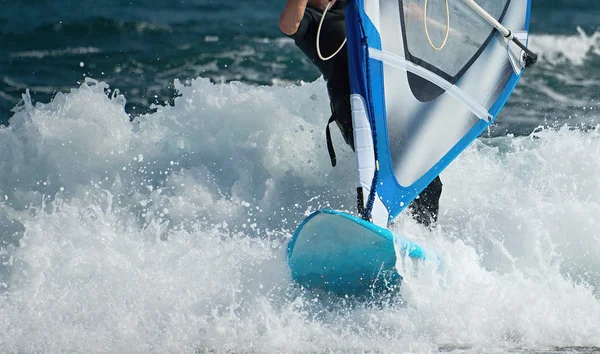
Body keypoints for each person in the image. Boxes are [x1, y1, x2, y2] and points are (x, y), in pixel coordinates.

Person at [279, 0, 443, 227]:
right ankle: (372, 229)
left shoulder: (356, 7)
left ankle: (423, 235)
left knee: (427, 180)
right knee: (379, 172)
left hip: (387, 102)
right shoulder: (310, 19)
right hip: (354, 108)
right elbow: (288, 24)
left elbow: (401, 13)